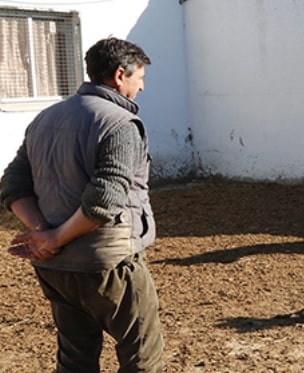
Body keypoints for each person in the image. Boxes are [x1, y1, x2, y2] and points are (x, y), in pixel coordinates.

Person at [0, 37, 163, 372]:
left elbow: (13, 186)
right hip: (106, 263)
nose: (142, 87)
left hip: (54, 267)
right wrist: (55, 238)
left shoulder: (44, 118)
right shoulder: (120, 123)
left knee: (75, 359)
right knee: (142, 355)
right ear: (120, 75)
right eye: (140, 78)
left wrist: (44, 234)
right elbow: (104, 200)